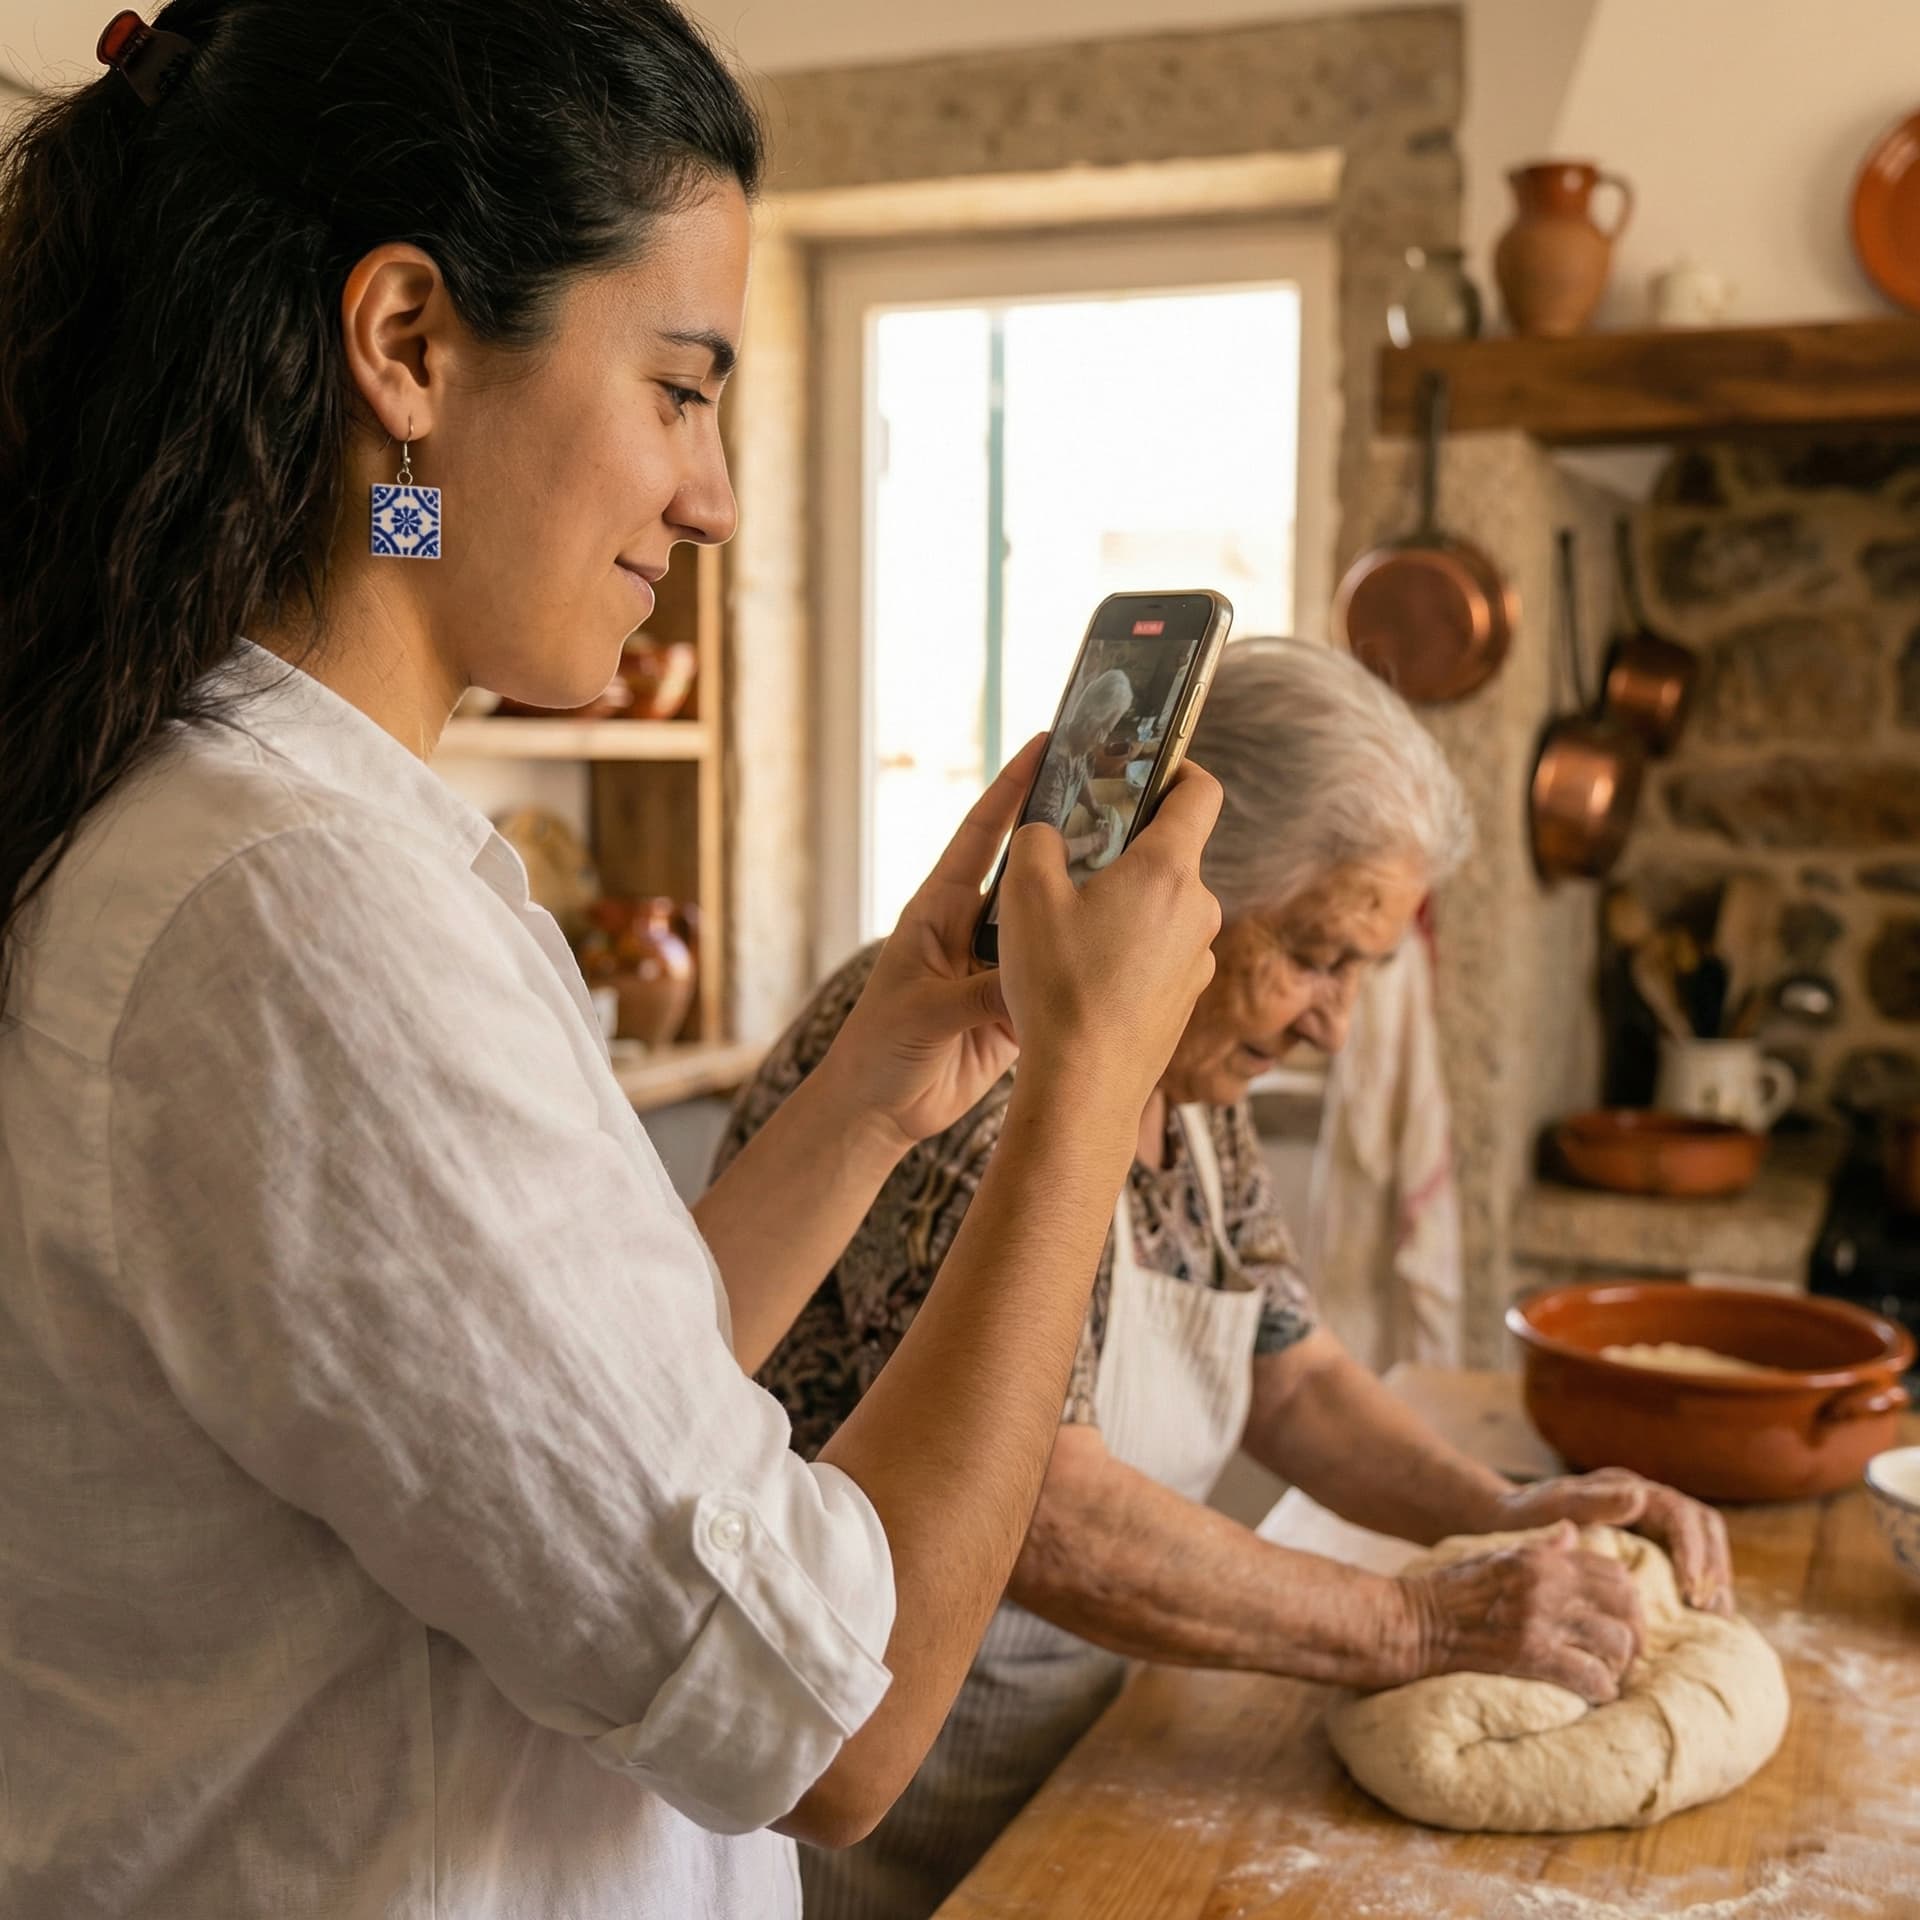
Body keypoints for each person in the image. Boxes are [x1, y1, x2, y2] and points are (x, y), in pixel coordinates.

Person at [0, 6, 1225, 1917]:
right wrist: (1086, 1094)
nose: (717, 490)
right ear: (408, 345)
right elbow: (828, 1724)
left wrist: (888, 1083)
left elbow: (582, 1410)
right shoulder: (296, 913)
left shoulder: (275, 826)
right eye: (679, 388)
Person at [719, 639, 1736, 1920]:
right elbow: (1038, 1506)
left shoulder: (1190, 1073)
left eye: (1363, 967)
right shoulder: (969, 1046)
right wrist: (1420, 1626)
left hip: (1078, 1755)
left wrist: (1498, 1512)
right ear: (1185, 891)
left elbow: (1292, 1373)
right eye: (1318, 954)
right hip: (868, 1800)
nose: (1336, 1024)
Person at [1032, 665, 1136, 872]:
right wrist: (1096, 842)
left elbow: (1078, 777)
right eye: (1105, 729)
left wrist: (1094, 808)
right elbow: (1044, 850)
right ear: (1091, 719)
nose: (1103, 739)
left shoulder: (1073, 743)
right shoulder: (1053, 769)